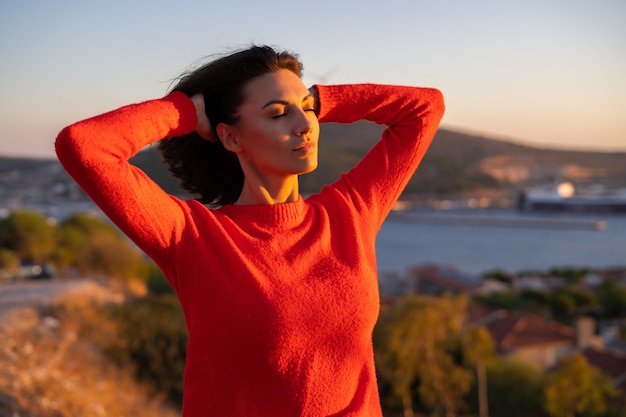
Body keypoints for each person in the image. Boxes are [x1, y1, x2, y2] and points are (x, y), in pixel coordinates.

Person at [55, 45, 444, 416]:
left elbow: (425, 108)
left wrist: (322, 100)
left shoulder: (350, 213)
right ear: (231, 136)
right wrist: (188, 112)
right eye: (278, 114)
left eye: (307, 111)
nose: (305, 126)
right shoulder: (191, 236)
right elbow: (84, 145)